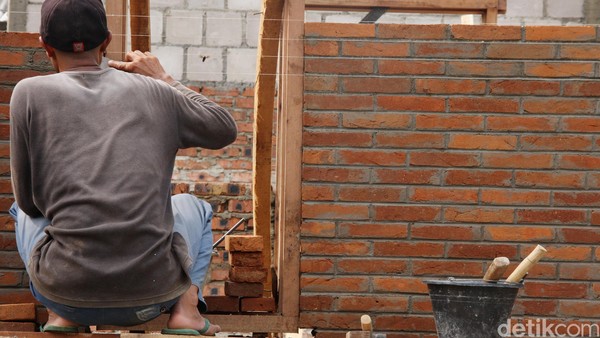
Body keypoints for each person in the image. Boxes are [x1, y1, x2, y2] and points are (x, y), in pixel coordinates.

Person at [9, 0, 237, 335]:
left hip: (64, 293)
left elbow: (30, 203)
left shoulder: (28, 94)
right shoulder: (157, 92)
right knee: (195, 207)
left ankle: (64, 317)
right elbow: (223, 128)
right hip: (151, 296)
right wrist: (163, 78)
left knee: (21, 209)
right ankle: (186, 311)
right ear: (107, 42)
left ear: (44, 47)